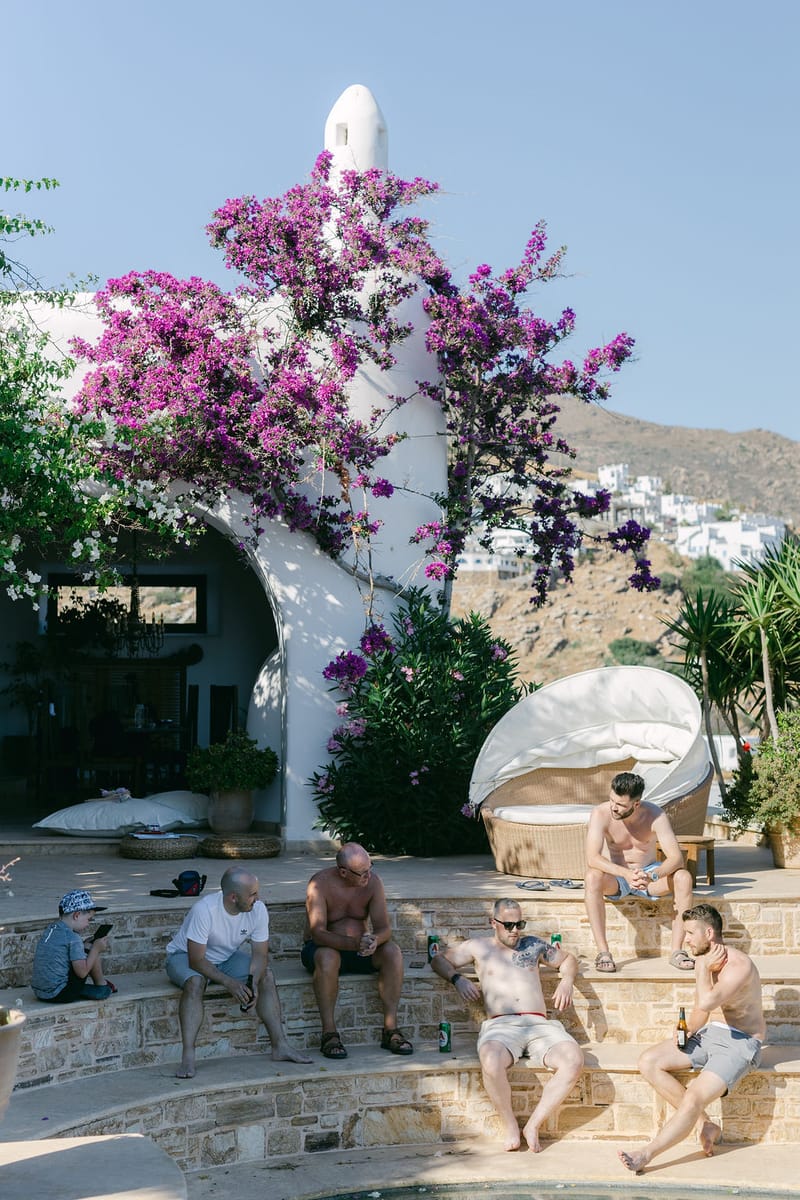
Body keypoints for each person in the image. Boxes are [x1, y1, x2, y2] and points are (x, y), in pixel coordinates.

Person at [619, 903, 765, 1175]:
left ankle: (646, 1154)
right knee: (649, 1061)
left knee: (694, 1095)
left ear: (709, 933)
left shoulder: (739, 966)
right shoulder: (705, 959)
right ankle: (705, 1124)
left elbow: (709, 999)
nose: (685, 940)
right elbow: (701, 1011)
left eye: (689, 933)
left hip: (741, 1042)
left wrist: (701, 968)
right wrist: (683, 1032)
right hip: (711, 1034)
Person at [430, 898, 584, 1152]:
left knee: (574, 1060)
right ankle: (511, 1125)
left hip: (538, 1024)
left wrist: (567, 980)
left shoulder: (533, 945)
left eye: (520, 924)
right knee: (490, 1061)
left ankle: (533, 1124)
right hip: (501, 1026)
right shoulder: (478, 947)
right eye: (509, 924)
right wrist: (457, 979)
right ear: (494, 923)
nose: (515, 930)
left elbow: (567, 959)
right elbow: (438, 960)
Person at [165, 866, 311, 1078]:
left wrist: (253, 980)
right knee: (196, 982)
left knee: (266, 976)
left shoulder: (258, 909)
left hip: (226, 957)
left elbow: (260, 954)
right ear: (233, 897)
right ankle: (188, 1056)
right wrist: (229, 983)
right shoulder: (204, 910)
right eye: (252, 894)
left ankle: (280, 1046)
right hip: (183, 957)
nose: (257, 898)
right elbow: (196, 960)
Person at [302, 842, 413, 1059]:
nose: (368, 876)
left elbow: (384, 929)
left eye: (370, 868)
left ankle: (391, 1030)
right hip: (325, 948)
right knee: (327, 956)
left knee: (392, 952)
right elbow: (318, 933)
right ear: (343, 872)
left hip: (360, 948)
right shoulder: (320, 884)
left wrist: (374, 940)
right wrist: (353, 944)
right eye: (362, 873)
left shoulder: (373, 883)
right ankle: (329, 1033)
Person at [584, 771, 695, 972]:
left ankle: (677, 951)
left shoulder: (655, 815)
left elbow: (676, 858)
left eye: (620, 805)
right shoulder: (600, 814)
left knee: (684, 878)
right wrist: (626, 874)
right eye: (611, 800)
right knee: (592, 876)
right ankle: (603, 953)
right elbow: (593, 857)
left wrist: (653, 875)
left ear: (636, 804)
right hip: (619, 876)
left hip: (649, 876)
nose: (614, 808)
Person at [31, 889, 116, 1002]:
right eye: (88, 919)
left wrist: (83, 945)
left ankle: (98, 984)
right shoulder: (73, 937)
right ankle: (102, 986)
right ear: (76, 915)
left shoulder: (51, 929)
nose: (88, 924)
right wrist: (96, 949)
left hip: (40, 992)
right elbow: (82, 973)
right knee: (91, 949)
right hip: (61, 994)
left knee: (87, 947)